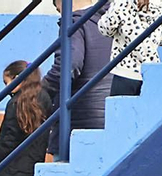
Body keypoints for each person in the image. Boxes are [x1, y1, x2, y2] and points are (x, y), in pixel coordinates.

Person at [39, 0, 113, 137]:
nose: (59, 14)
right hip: (113, 113)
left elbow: (69, 65)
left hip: (82, 118)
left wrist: (41, 90)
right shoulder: (113, 21)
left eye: (58, 9)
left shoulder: (73, 22)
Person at [0, 64, 51, 176]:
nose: (7, 87)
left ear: (17, 78)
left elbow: (10, 137)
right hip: (33, 164)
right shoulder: (43, 98)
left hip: (13, 167)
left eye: (7, 82)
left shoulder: (15, 102)